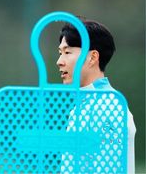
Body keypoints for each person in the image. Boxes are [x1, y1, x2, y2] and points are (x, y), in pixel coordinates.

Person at [57, 17, 136, 174]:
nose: (59, 61)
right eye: (60, 53)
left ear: (92, 57)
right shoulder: (84, 106)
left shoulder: (109, 107)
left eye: (67, 52)